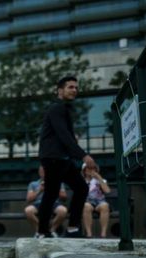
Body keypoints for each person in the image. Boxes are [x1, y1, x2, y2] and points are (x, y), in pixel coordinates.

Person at [37, 75, 97, 238]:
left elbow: (65, 136)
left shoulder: (63, 108)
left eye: (76, 88)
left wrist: (75, 149)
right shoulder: (57, 108)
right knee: (51, 193)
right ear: (60, 90)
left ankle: (71, 227)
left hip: (62, 158)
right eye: (70, 87)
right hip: (54, 158)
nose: (75, 90)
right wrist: (83, 156)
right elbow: (63, 135)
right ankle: (43, 231)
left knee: (80, 188)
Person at [25, 166, 68, 237]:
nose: (44, 173)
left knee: (63, 211)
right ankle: (39, 231)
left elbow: (64, 197)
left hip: (54, 203)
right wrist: (40, 190)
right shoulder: (33, 184)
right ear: (39, 172)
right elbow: (29, 199)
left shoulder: (58, 182)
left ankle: (51, 231)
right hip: (38, 203)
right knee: (28, 211)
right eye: (42, 171)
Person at [82, 163, 112, 238]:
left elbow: (107, 191)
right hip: (88, 201)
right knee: (86, 206)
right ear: (84, 171)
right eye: (89, 168)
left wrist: (99, 178)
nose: (92, 170)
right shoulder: (81, 181)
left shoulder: (101, 180)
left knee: (105, 206)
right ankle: (89, 234)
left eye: (93, 169)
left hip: (100, 202)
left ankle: (103, 234)